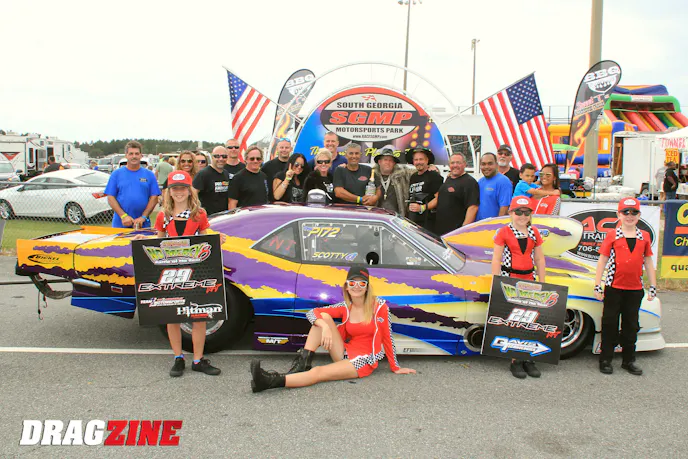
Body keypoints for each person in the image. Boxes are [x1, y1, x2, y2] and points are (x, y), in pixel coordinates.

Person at [249, 266, 416, 392]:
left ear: (367, 287)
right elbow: (312, 313)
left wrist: (395, 367)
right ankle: (303, 365)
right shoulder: (345, 307)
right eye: (352, 283)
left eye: (362, 283)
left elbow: (387, 337)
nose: (357, 286)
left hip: (362, 360)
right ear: (347, 287)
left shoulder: (379, 308)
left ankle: (270, 381)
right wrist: (325, 327)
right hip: (343, 351)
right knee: (324, 318)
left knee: (319, 372)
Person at [154, 171, 220, 377]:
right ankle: (178, 357)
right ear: (169, 191)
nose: (179, 192)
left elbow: (205, 239)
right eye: (175, 188)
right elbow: (158, 242)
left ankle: (198, 359)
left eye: (183, 188)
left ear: (190, 191)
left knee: (199, 316)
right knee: (172, 316)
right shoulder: (163, 216)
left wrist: (217, 239)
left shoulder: (199, 214)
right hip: (171, 272)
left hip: (196, 271)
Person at [594, 197, 657, 376]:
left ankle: (629, 360)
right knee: (610, 323)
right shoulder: (612, 235)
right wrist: (597, 285)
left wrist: (653, 285)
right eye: (625, 212)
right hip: (614, 287)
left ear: (639, 215)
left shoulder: (644, 236)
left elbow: (648, 261)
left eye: (634, 212)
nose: (629, 216)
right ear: (619, 215)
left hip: (635, 289)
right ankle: (605, 359)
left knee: (631, 324)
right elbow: (603, 260)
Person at [491, 197, 546, 379]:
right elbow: (496, 259)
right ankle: (515, 360)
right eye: (518, 212)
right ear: (511, 213)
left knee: (531, 320)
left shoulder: (534, 232)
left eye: (526, 212)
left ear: (531, 214)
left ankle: (529, 358)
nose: (522, 216)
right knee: (514, 320)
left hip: (529, 279)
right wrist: (496, 281)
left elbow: (539, 259)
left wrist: (543, 282)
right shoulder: (503, 232)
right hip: (510, 280)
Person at [105, 141, 160, 228]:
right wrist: (123, 216)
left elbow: (154, 198)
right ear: (126, 155)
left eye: (137, 154)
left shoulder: (149, 175)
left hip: (143, 225)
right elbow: (110, 197)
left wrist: (143, 217)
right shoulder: (116, 174)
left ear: (141, 155)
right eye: (131, 154)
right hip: (120, 224)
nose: (134, 156)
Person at [427, 153, 480, 235]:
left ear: (465, 164)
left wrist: (464, 230)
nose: (455, 165)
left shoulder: (470, 182)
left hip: (455, 233)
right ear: (449, 165)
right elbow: (439, 198)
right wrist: (422, 208)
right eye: (452, 163)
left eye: (458, 162)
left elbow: (473, 207)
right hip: (441, 230)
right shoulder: (449, 179)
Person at [407, 147, 443, 233]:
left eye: (421, 159)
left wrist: (422, 207)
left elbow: (439, 198)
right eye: (416, 160)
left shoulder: (434, 176)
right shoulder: (413, 177)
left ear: (427, 160)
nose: (418, 162)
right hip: (414, 221)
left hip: (429, 222)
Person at [192, 146, 231, 216]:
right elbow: (192, 195)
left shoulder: (226, 174)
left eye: (224, 156)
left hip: (223, 217)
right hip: (208, 217)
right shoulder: (203, 174)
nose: (221, 159)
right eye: (217, 156)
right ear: (212, 157)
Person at [228, 145, 270, 209]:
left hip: (262, 213)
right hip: (246, 214)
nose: (255, 161)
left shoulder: (264, 176)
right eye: (252, 159)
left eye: (258, 158)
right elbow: (232, 203)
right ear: (246, 160)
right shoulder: (238, 178)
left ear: (261, 160)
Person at [372, 146, 410, 216]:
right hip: (376, 216)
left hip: (396, 217)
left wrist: (430, 166)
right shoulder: (372, 176)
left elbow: (418, 170)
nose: (388, 162)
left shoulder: (402, 175)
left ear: (394, 163)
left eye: (390, 160)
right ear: (379, 162)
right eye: (385, 160)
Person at [476, 153, 512, 221]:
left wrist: (498, 225)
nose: (486, 167)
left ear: (496, 165)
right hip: (479, 225)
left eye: (490, 164)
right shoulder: (480, 181)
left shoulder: (503, 181)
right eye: (483, 164)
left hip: (493, 225)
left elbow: (504, 208)